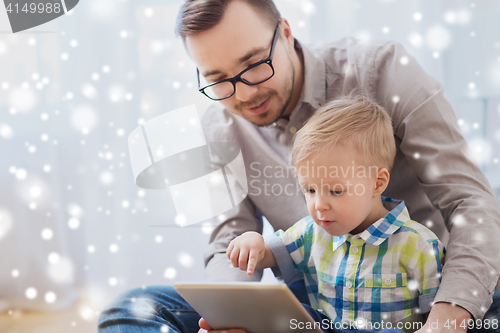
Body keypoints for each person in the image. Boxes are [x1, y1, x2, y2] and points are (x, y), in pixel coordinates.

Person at [98, 0, 500, 332]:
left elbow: (471, 203)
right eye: (219, 79)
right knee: (133, 309)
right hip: (317, 309)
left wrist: (451, 314)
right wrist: (231, 316)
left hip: (423, 300)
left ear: (286, 34)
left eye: (254, 63)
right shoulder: (215, 127)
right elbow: (229, 240)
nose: (245, 92)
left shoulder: (384, 71)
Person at [227, 95, 445, 330]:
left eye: (336, 190)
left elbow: (438, 318)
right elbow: (271, 253)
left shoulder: (419, 245)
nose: (319, 205)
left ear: (377, 183)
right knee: (289, 312)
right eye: (310, 190)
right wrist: (254, 243)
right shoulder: (312, 232)